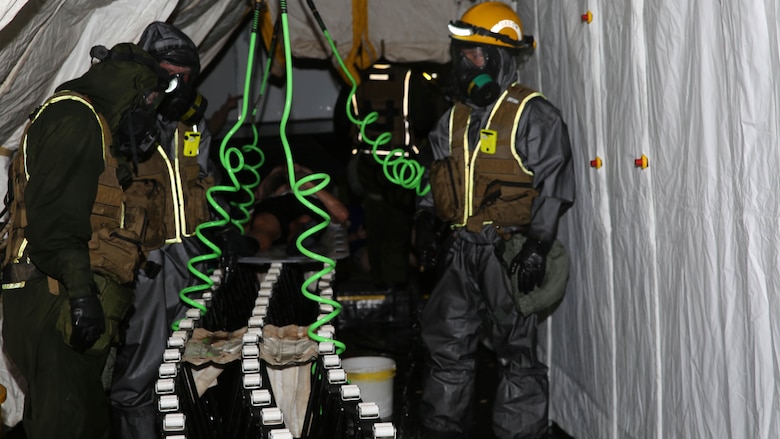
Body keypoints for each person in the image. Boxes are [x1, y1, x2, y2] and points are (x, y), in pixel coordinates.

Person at [414, 3, 575, 438]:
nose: (467, 65)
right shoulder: (453, 118)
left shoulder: (534, 115)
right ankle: (440, 429)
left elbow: (553, 185)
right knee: (446, 348)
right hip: (459, 251)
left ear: (502, 57)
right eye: (462, 53)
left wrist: (538, 246)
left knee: (517, 355)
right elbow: (434, 180)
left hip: (507, 253)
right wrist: (426, 220)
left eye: (477, 55)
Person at [1, 42, 177, 439]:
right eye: (147, 96)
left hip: (61, 294)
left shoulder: (93, 124)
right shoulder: (75, 118)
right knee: (66, 426)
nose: (148, 108)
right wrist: (81, 294)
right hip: (54, 295)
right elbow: (58, 223)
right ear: (129, 86)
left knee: (81, 422)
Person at [108, 22, 218, 439]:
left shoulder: (191, 126)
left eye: (184, 78)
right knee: (138, 372)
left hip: (189, 260)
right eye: (167, 75)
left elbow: (203, 181)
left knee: (180, 363)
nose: (177, 86)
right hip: (146, 264)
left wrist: (217, 232)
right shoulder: (119, 121)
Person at [245, 163, 349, 255]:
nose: (295, 169)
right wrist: (277, 171)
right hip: (277, 205)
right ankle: (248, 244)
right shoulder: (276, 190)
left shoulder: (319, 194)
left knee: (304, 221)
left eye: (300, 169)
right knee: (265, 224)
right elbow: (258, 195)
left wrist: (308, 184)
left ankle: (299, 240)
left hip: (307, 204)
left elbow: (342, 215)